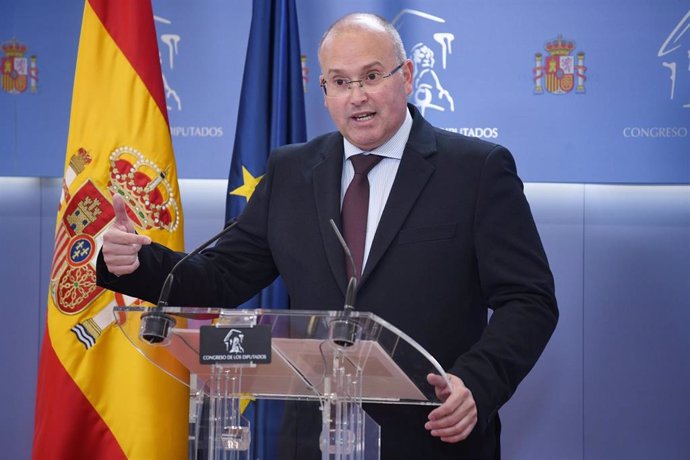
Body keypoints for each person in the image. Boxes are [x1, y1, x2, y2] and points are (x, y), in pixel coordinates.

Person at [97, 13, 558, 459]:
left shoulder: (475, 170)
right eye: (339, 82)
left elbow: (529, 299)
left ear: (408, 75)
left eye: (372, 75)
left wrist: (477, 383)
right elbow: (222, 276)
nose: (357, 96)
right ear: (323, 90)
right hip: (313, 440)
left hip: (432, 434)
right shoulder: (293, 170)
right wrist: (136, 261)